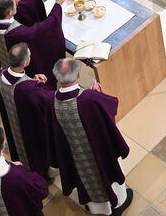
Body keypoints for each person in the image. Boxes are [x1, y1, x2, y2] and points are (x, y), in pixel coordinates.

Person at [49, 58, 133, 215]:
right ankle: (118, 205)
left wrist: (90, 95)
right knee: (108, 176)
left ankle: (95, 207)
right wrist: (96, 95)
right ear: (78, 75)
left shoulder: (51, 101)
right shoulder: (89, 98)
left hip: (77, 158)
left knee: (86, 180)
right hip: (100, 152)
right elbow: (112, 107)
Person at [0, 43, 56, 174]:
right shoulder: (28, 89)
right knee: (35, 151)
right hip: (27, 127)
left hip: (13, 122)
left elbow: (17, 92)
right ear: (25, 63)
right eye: (30, 56)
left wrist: (32, 82)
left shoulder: (0, 76)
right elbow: (46, 103)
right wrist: (41, 86)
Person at [0, 0, 66, 84]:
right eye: (15, 3)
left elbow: (21, 5)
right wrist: (58, 5)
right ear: (9, 12)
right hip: (20, 65)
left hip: (5, 58)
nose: (17, 3)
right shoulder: (19, 33)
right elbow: (45, 27)